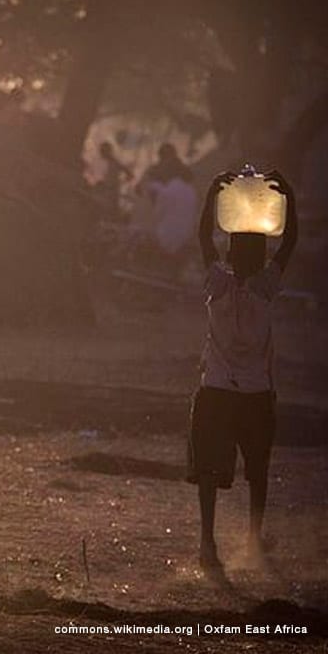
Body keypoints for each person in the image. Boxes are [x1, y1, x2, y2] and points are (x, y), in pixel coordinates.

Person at [188, 169, 297, 574]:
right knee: (258, 471)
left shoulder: (217, 282)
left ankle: (207, 542)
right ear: (261, 257)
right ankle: (253, 540)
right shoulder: (267, 285)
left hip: (216, 388)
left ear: (230, 254)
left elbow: (203, 239)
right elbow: (290, 243)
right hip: (256, 392)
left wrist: (212, 191)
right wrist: (289, 196)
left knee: (208, 472)